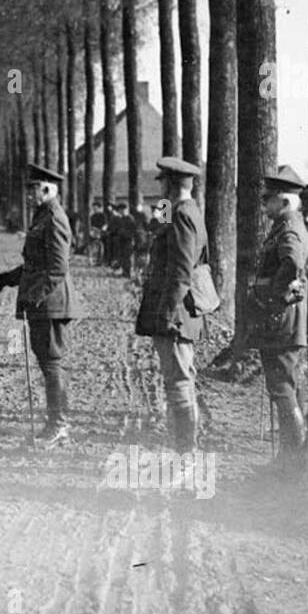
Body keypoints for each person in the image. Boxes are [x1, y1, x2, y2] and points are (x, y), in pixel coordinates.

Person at [0, 163, 77, 448]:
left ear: (46, 190)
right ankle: (57, 423)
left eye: (33, 190)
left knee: (52, 365)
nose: (28, 195)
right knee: (48, 364)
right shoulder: (42, 216)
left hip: (51, 304)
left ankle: (59, 425)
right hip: (44, 303)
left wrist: (34, 295)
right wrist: (11, 278)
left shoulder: (54, 218)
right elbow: (36, 264)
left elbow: (57, 268)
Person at [135, 157, 209, 450]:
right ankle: (183, 448)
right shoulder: (180, 211)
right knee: (176, 381)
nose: (161, 187)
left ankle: (186, 453)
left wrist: (166, 314)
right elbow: (160, 237)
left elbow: (181, 271)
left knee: (178, 383)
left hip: (176, 313)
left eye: (163, 182)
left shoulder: (182, 214)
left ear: (170, 183)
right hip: (174, 310)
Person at [244, 166, 308, 462]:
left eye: (268, 199)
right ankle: (290, 452)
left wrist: (274, 295)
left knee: (282, 385)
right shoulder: (283, 225)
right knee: (283, 383)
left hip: (282, 316)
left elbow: (293, 263)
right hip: (281, 314)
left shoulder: (290, 227)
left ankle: (293, 455)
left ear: (284, 201)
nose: (264, 204)